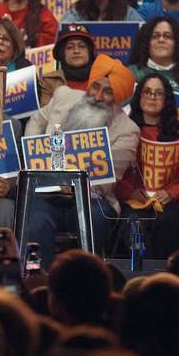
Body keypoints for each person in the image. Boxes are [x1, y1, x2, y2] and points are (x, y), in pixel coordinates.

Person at [24, 55, 139, 266]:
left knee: (93, 221)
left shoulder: (128, 131)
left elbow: (107, 178)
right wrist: (36, 156)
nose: (97, 96)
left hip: (92, 198)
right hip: (47, 192)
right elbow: (36, 121)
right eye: (95, 87)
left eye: (108, 92)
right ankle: (38, 282)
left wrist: (72, 186)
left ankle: (83, 283)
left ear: (118, 98)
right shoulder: (63, 95)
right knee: (35, 223)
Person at [114, 72, 179, 258]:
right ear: (139, 96)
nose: (152, 97)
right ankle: (140, 275)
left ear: (167, 100)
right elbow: (114, 171)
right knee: (134, 222)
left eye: (158, 93)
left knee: (169, 220)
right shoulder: (122, 130)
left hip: (168, 201)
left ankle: (161, 276)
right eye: (147, 92)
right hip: (134, 200)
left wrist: (171, 193)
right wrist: (129, 192)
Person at [129, 16, 179, 97]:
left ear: (178, 43)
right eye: (155, 36)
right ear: (146, 42)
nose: (161, 40)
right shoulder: (132, 72)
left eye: (167, 36)